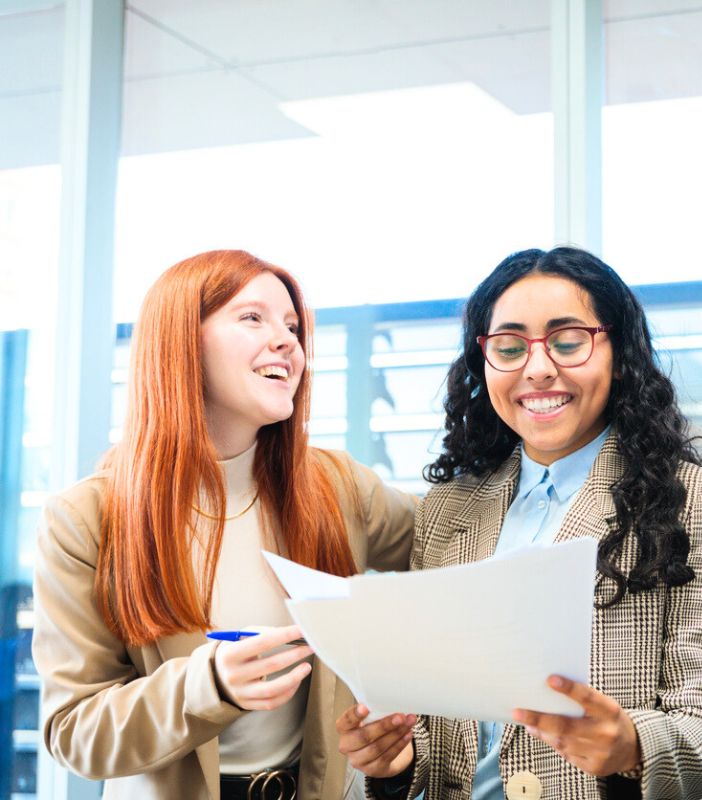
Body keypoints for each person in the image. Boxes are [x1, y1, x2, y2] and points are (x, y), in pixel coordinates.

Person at [335, 246, 702, 800]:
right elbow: (440, 729)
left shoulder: (695, 501)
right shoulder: (447, 509)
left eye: (568, 341)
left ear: (619, 355)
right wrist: (396, 760)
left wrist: (630, 745)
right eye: (509, 347)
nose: (537, 368)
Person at [33, 250, 417, 799]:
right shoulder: (85, 520)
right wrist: (206, 684)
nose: (288, 341)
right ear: (181, 342)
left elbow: (457, 541)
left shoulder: (339, 488)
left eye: (292, 326)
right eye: (252, 317)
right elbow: (74, 733)